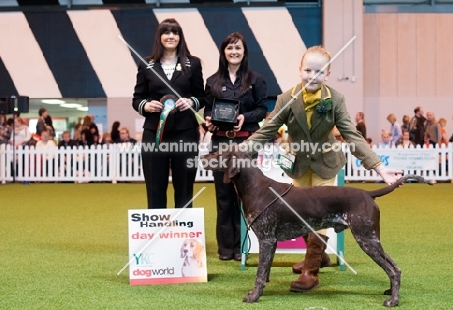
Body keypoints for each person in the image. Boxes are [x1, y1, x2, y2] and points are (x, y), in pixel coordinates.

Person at [241, 45, 401, 293]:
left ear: (327, 74)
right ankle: (320, 256)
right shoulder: (286, 99)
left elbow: (352, 136)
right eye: (307, 70)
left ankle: (310, 272)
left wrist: (379, 168)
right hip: (297, 165)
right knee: (300, 213)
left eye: (318, 71)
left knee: (320, 211)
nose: (312, 76)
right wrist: (241, 150)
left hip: (326, 165)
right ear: (300, 70)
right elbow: (266, 132)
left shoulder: (335, 99)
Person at [204, 32, 268, 261]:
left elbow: (262, 109)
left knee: (246, 196)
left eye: (238, 48)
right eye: (229, 48)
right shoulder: (212, 81)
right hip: (220, 143)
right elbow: (208, 110)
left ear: (244, 51)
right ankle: (225, 249)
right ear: (223, 52)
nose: (234, 52)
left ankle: (244, 246)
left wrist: (245, 117)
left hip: (245, 143)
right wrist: (208, 121)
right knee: (223, 195)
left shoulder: (256, 80)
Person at [132, 18, 204, 209]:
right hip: (154, 134)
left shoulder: (194, 64)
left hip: (186, 133)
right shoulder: (146, 64)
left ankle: (184, 235)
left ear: (180, 37)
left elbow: (201, 97)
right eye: (166, 32)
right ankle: (158, 235)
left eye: (175, 32)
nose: (171, 36)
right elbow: (137, 98)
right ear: (159, 36)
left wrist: (191, 102)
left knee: (185, 187)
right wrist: (146, 106)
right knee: (155, 187)